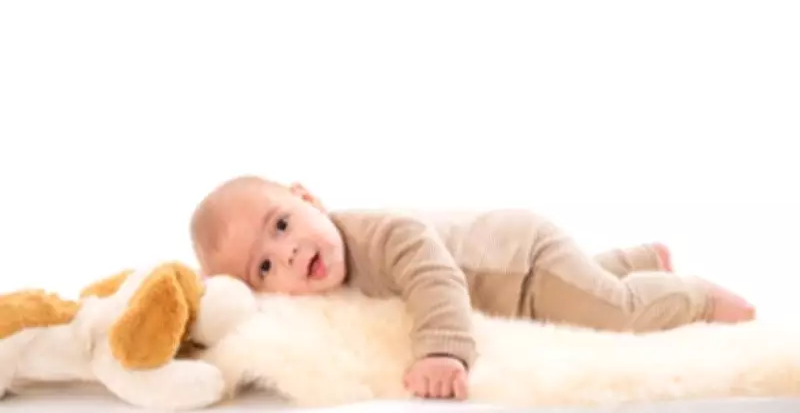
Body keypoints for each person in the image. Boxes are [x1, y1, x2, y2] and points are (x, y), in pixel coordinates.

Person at [190, 175, 756, 401]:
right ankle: (636, 259)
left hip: (522, 260)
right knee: (576, 290)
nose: (289, 253)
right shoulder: (315, 284)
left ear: (308, 198)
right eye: (264, 268)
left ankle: (695, 296)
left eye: (282, 225)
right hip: (511, 279)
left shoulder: (385, 233)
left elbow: (434, 277)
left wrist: (442, 350)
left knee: (609, 312)